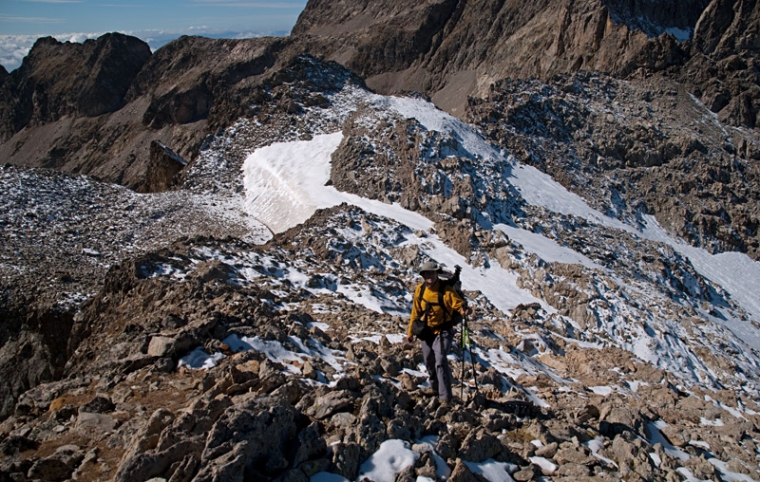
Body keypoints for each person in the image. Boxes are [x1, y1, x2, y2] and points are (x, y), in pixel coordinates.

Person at [406, 261, 470, 404]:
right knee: (429, 362)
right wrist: (410, 333)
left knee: (440, 361)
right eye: (426, 273)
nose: (429, 276)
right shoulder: (420, 290)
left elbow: (457, 303)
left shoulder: (446, 290)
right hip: (426, 331)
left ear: (437, 274)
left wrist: (463, 310)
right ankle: (434, 388)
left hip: (443, 331)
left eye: (432, 273)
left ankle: (445, 397)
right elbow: (415, 312)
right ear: (423, 275)